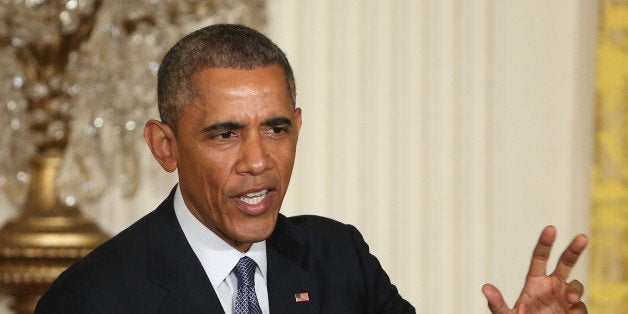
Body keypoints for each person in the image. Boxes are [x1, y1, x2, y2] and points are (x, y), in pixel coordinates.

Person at [35, 24, 588, 314]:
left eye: (276, 129)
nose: (258, 162)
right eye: (225, 134)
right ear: (165, 146)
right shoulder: (91, 300)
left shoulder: (338, 258)